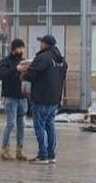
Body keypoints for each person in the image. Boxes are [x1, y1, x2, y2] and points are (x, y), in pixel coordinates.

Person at [19, 34, 67, 165]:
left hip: (41, 97)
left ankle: (43, 155)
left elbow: (32, 74)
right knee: (50, 125)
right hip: (54, 98)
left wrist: (24, 73)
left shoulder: (43, 58)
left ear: (46, 44)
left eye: (41, 42)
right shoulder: (61, 60)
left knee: (39, 126)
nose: (40, 44)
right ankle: (51, 154)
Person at [0, 38, 30, 161]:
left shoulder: (24, 61)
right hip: (10, 97)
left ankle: (19, 150)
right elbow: (1, 75)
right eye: (19, 48)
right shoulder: (6, 62)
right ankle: (5, 149)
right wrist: (16, 69)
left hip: (22, 96)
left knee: (21, 124)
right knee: (11, 124)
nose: (21, 50)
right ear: (13, 49)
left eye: (22, 48)